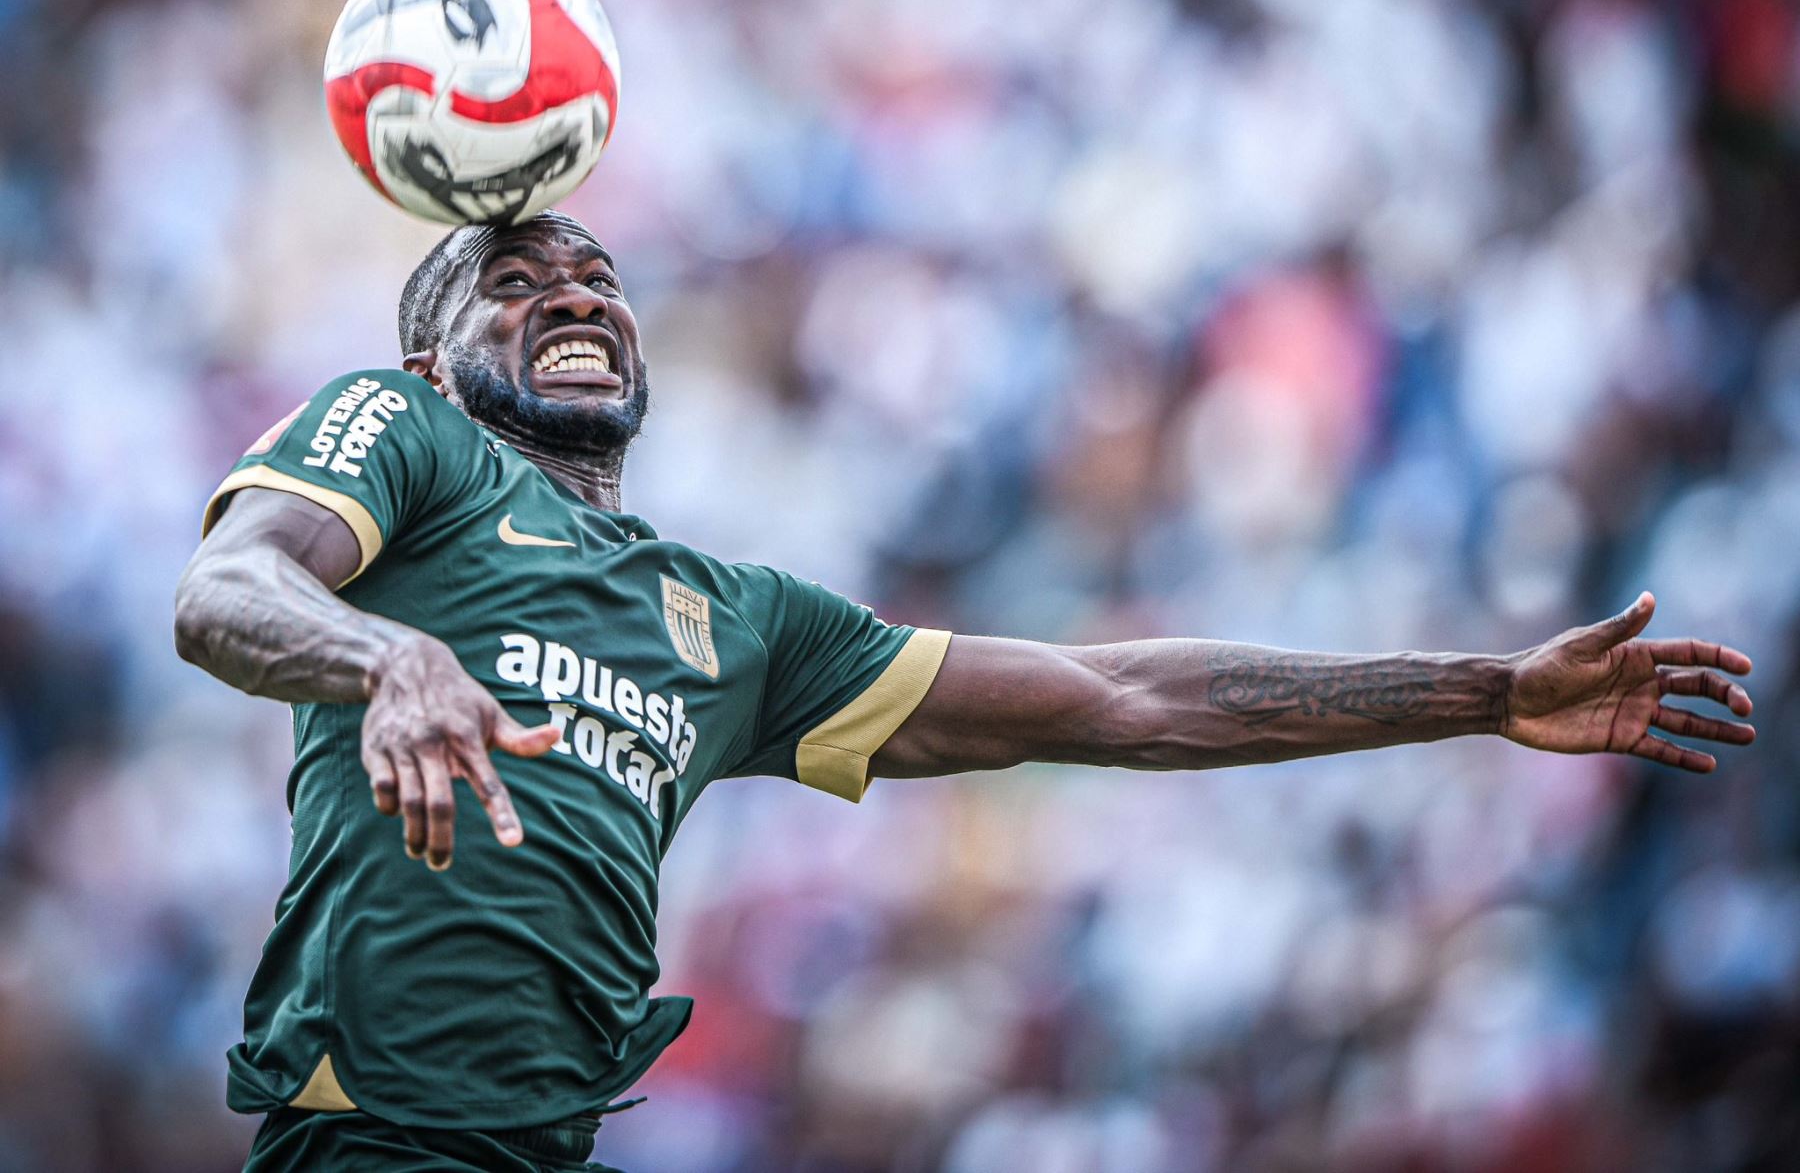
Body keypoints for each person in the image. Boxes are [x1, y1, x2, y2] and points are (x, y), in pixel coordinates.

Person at [174, 211, 1758, 1172]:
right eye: (515, 280)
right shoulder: (408, 438)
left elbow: (1120, 697)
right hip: (370, 1132)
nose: (578, 291)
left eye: (598, 272)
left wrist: (1482, 690)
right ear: (437, 358)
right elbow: (226, 587)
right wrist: (392, 653)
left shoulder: (735, 623)